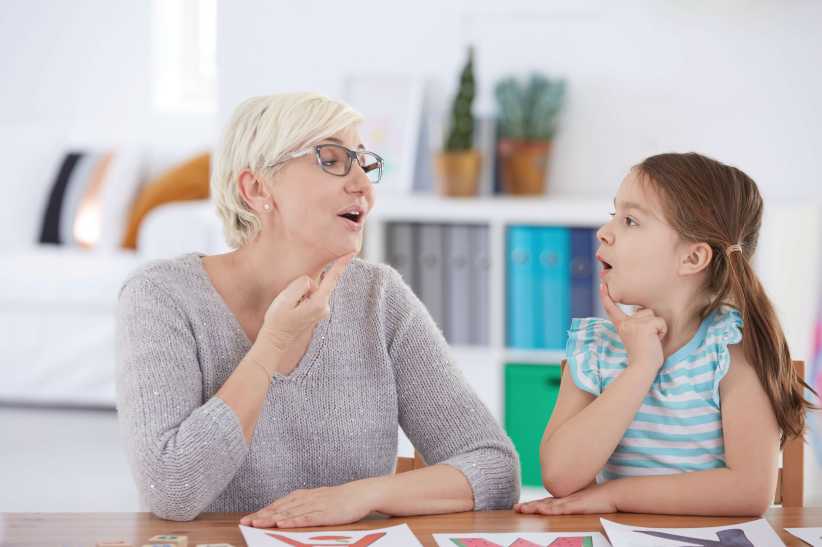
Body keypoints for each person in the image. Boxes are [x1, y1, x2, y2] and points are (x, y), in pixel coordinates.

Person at [115, 92, 519, 525]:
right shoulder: (162, 296)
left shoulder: (378, 298)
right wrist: (272, 345)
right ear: (256, 188)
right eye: (332, 159)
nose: (363, 185)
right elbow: (172, 489)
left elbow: (495, 469)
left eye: (364, 164)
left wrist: (362, 496)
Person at [516, 152, 816, 516]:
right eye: (615, 215)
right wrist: (640, 369)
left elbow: (750, 491)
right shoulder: (596, 349)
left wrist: (615, 495)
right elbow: (561, 476)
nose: (604, 232)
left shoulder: (732, 350)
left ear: (692, 259)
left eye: (630, 220)